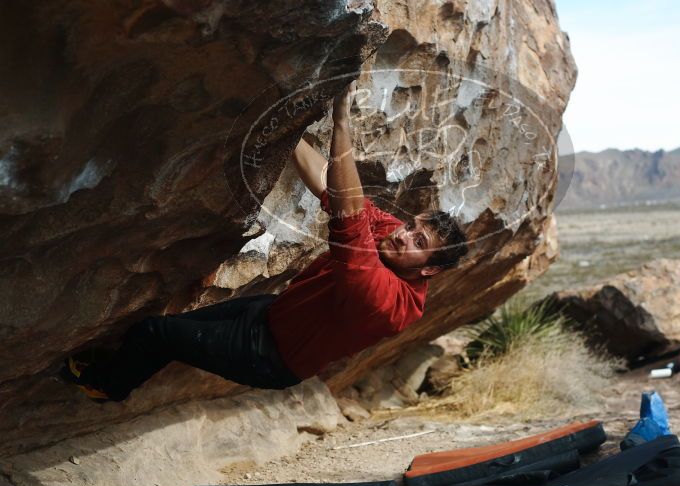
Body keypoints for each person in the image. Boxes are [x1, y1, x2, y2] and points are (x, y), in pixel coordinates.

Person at [62, 82, 469, 402]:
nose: (402, 233)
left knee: (154, 333)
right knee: (168, 333)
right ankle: (122, 369)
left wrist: (342, 123)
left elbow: (348, 216)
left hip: (268, 358)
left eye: (418, 239)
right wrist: (287, 131)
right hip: (272, 313)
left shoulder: (387, 304)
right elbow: (335, 189)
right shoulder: (393, 240)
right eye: (411, 225)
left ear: (429, 268)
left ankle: (106, 387)